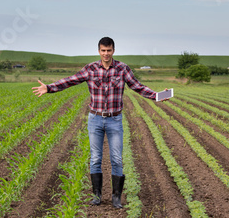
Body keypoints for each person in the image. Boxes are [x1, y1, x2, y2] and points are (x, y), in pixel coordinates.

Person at [32, 37, 166, 208]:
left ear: (113, 51)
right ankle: (97, 196)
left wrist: (157, 96)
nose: (106, 54)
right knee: (95, 158)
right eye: (103, 50)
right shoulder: (90, 69)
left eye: (109, 50)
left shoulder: (122, 69)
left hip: (114, 119)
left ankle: (116, 197)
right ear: (99, 51)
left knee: (116, 159)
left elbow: (138, 86)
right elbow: (70, 80)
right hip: (95, 119)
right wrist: (49, 87)